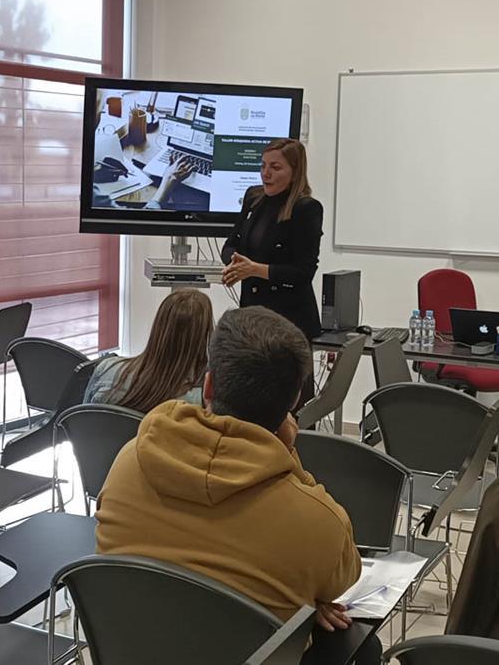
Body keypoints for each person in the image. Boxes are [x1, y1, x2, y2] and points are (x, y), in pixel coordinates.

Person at [96, 306, 372, 659]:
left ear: (208, 385)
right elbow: (343, 581)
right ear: (293, 403)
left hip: (138, 652)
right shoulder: (319, 523)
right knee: (360, 643)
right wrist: (288, 455)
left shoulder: (127, 463)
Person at [220, 138, 323, 340]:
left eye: (275, 167)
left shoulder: (306, 209)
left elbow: (303, 272)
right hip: (251, 317)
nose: (265, 173)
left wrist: (253, 269)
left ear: (295, 173)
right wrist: (235, 263)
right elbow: (230, 244)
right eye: (263, 165)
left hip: (289, 323)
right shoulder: (253, 197)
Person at [83, 289, 212, 413]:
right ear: (204, 338)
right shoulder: (200, 404)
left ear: (158, 328)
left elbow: (80, 423)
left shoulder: (107, 369)